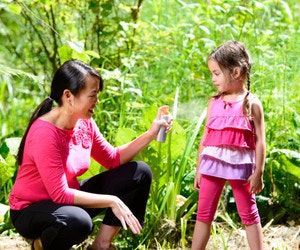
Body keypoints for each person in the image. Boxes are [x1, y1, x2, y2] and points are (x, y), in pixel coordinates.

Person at [9, 59, 172, 250]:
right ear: (68, 96)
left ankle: (101, 245)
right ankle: (41, 244)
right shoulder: (45, 133)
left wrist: (151, 134)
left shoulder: (84, 122)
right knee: (78, 221)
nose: (97, 101)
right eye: (93, 95)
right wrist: (112, 200)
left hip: (67, 200)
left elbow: (112, 159)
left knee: (139, 172)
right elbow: (60, 194)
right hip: (31, 210)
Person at [191, 41, 266, 250]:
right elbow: (206, 136)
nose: (213, 79)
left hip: (240, 166)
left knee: (249, 214)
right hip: (211, 164)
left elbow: (260, 140)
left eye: (216, 73)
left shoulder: (252, 103)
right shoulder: (214, 102)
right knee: (203, 213)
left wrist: (258, 171)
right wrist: (199, 168)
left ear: (235, 72)